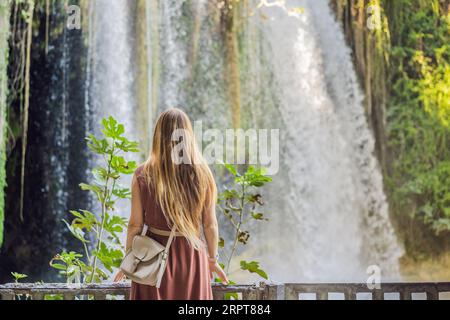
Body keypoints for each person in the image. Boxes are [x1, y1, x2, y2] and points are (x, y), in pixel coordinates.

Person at [114, 108, 228, 300]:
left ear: (158, 137)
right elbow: (210, 224)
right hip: (192, 260)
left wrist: (130, 261)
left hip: (152, 260)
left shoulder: (142, 175)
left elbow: (135, 225)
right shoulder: (203, 175)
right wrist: (212, 260)